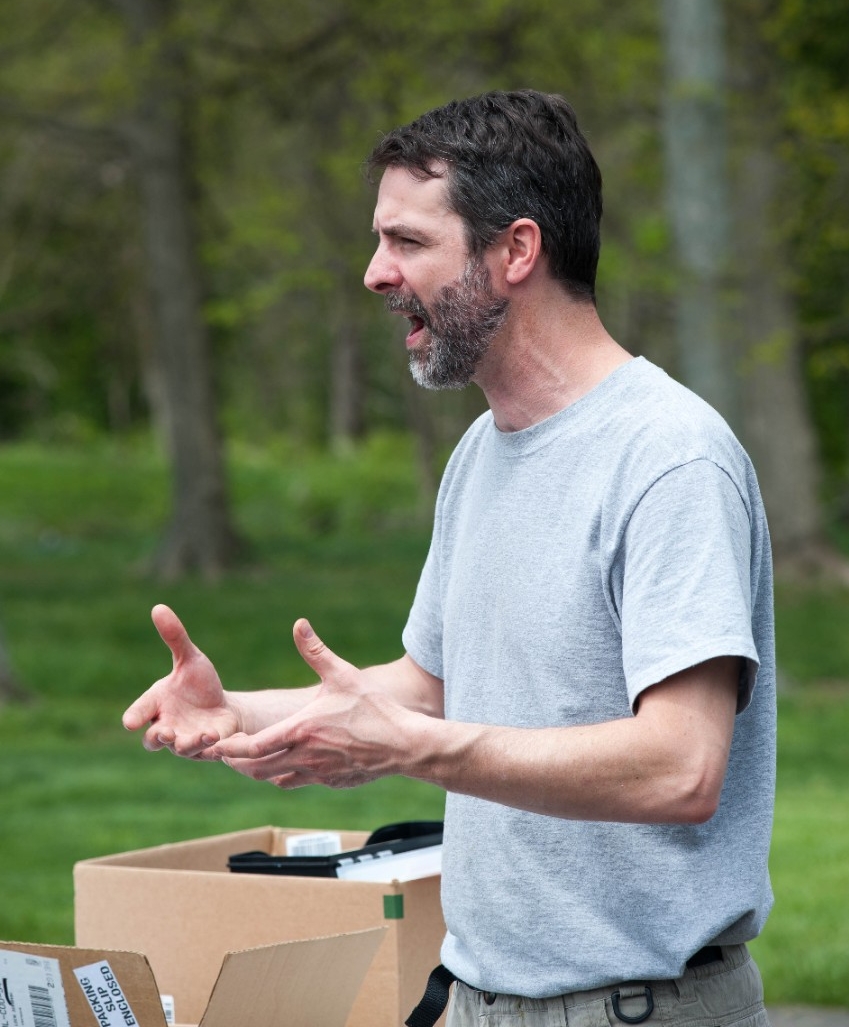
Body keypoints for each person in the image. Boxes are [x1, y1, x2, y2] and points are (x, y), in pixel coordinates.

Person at [124, 90, 776, 1027]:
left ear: (515, 250)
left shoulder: (668, 456)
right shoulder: (482, 453)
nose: (373, 274)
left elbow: (680, 768)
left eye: (407, 242)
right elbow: (431, 689)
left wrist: (410, 749)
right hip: (478, 997)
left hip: (639, 1010)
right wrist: (244, 713)